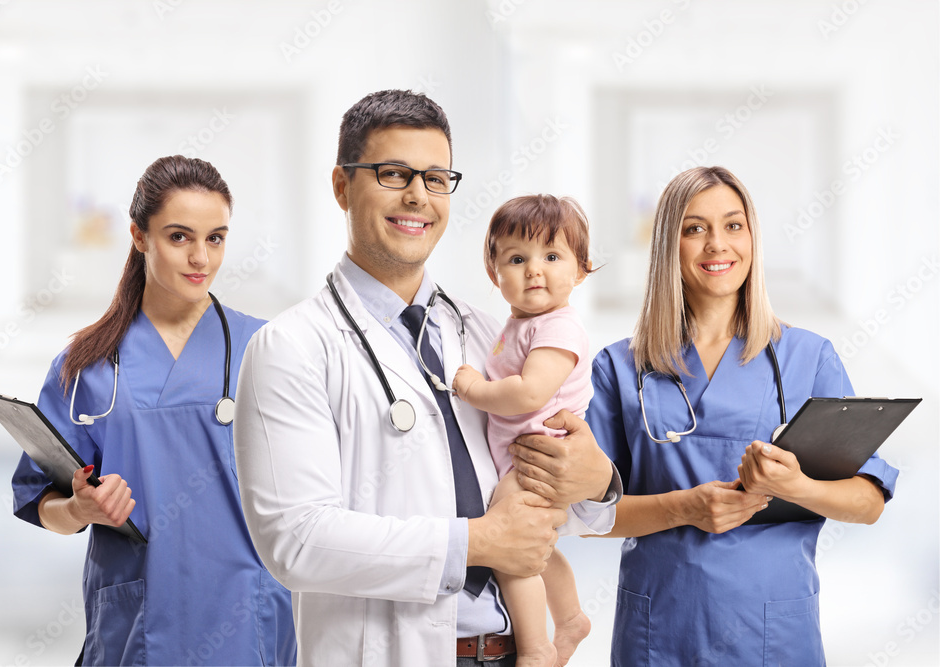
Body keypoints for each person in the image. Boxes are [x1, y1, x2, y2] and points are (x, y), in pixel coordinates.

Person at [232, 90, 622, 667]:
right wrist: (479, 542)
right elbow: (296, 540)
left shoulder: (488, 330)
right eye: (393, 173)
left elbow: (565, 511)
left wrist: (599, 480)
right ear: (342, 186)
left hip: (513, 652)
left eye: (437, 178)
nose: (418, 195)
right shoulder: (292, 346)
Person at [576, 166, 898, 666]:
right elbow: (587, 516)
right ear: (668, 246)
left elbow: (869, 501)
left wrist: (796, 487)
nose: (717, 245)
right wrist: (684, 508)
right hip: (659, 633)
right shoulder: (620, 367)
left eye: (733, 225)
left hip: (771, 634)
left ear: (752, 238)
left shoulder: (808, 359)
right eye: (694, 228)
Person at [11, 155, 296, 666]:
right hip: (140, 624)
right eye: (180, 237)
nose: (201, 259)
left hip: (247, 616)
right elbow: (40, 500)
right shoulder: (89, 366)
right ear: (140, 237)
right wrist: (80, 509)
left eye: (216, 238)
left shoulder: (265, 347)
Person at [452, 195, 596, 667]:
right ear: (495, 274)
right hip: (520, 459)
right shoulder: (512, 326)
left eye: (552, 257)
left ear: (581, 269)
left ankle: (535, 649)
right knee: (534, 545)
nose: (535, 270)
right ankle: (571, 617)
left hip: (538, 458)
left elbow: (530, 392)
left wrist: (474, 389)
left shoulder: (559, 328)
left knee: (511, 550)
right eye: (517, 259)